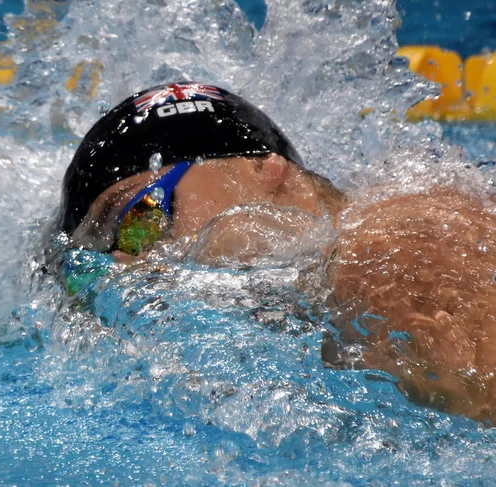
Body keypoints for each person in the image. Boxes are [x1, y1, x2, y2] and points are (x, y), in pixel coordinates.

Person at [56, 82, 496, 424]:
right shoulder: (321, 299)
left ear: (264, 167)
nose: (135, 261)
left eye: (141, 216)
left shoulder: (393, 248)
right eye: (110, 252)